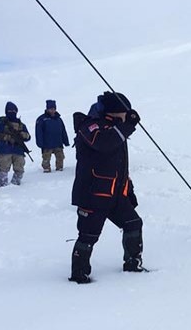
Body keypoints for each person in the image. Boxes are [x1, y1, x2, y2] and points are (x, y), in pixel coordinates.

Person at [69, 91, 144, 284]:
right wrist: (128, 125)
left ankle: (133, 263)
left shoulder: (117, 130)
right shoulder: (90, 126)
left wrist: (129, 189)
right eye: (124, 113)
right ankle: (79, 274)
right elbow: (104, 143)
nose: (126, 117)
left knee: (133, 223)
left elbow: (120, 165)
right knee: (88, 235)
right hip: (93, 194)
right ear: (113, 112)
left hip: (115, 195)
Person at [0, 102, 31, 187]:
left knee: (19, 169)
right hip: (4, 149)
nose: (12, 112)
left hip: (18, 150)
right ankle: (3, 186)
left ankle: (15, 186)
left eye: (13, 110)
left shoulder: (21, 125)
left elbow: (28, 137)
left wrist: (24, 135)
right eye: (9, 110)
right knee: (3, 169)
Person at [35, 100, 70, 172]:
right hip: (47, 143)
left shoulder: (59, 119)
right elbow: (38, 132)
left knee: (60, 156)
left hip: (58, 142)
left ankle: (59, 168)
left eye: (54, 109)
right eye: (51, 109)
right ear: (47, 109)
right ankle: (46, 168)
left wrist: (66, 141)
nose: (52, 110)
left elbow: (63, 130)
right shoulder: (42, 119)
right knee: (46, 157)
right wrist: (40, 143)